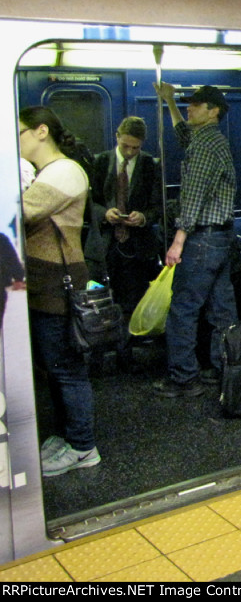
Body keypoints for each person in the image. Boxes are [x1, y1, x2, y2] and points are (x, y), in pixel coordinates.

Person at [19, 106, 100, 476]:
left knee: (65, 366)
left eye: (18, 133)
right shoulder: (44, 172)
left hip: (59, 280)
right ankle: (67, 434)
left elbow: (23, 211)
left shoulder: (65, 171)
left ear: (40, 132)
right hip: (42, 279)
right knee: (51, 364)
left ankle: (84, 446)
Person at [152, 83, 237, 397]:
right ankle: (224, 372)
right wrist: (170, 102)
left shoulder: (205, 146)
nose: (190, 108)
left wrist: (178, 240)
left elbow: (193, 194)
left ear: (213, 111)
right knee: (221, 311)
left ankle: (184, 378)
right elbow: (183, 134)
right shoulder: (210, 140)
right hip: (221, 238)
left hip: (202, 239)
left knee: (183, 311)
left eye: (196, 105)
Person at [87, 117, 162, 342]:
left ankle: (127, 351)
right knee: (99, 299)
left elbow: (158, 205)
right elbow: (89, 202)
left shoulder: (151, 165)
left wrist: (143, 217)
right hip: (104, 243)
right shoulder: (99, 163)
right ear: (117, 137)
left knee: (133, 300)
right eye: (125, 146)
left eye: (135, 148)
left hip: (136, 246)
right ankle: (101, 350)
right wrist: (104, 214)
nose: (130, 152)